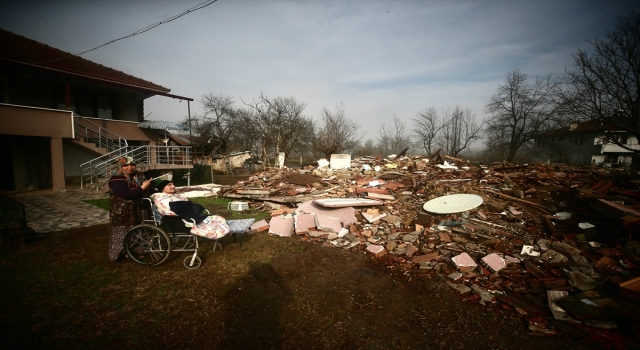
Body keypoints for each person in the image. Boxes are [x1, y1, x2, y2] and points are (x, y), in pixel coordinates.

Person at [107, 156, 152, 262]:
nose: (130, 168)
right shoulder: (116, 178)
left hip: (140, 207)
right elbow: (124, 194)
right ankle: (121, 253)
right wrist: (142, 188)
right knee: (123, 232)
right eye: (126, 165)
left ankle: (136, 252)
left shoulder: (139, 176)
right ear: (120, 166)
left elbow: (148, 187)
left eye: (132, 165)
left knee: (140, 231)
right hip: (123, 210)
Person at [151, 180, 230, 239]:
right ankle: (223, 231)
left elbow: (189, 205)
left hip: (191, 215)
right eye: (169, 185)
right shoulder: (162, 199)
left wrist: (192, 206)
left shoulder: (175, 196)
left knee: (217, 219)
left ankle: (224, 230)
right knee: (213, 222)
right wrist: (191, 206)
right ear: (162, 188)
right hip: (180, 221)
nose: (173, 186)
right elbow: (178, 209)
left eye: (173, 184)